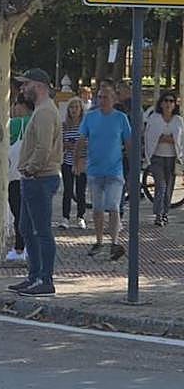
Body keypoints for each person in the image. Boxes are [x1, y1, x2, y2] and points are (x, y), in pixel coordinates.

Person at [10, 68, 64, 297]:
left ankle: (45, 279)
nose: (22, 89)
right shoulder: (42, 110)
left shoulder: (44, 113)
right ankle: (34, 276)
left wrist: (30, 169)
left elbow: (43, 148)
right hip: (34, 178)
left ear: (39, 85)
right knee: (25, 228)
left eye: (26, 84)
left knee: (41, 230)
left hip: (40, 178)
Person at [78, 83, 132, 262]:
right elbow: (81, 139)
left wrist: (132, 166)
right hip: (94, 169)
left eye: (105, 97)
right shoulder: (90, 117)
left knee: (113, 205)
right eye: (99, 97)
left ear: (114, 99)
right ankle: (99, 240)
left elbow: (129, 142)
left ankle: (114, 242)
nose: (102, 100)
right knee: (97, 207)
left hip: (114, 170)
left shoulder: (121, 118)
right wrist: (78, 160)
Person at [144, 89, 183, 227]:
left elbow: (179, 140)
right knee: (161, 185)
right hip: (157, 158)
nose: (168, 104)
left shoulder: (178, 121)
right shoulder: (154, 118)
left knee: (169, 187)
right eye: (165, 101)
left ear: (175, 105)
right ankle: (158, 215)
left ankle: (165, 213)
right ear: (161, 103)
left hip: (172, 158)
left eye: (171, 101)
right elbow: (151, 136)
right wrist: (164, 138)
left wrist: (169, 139)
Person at [6, 98, 31, 263]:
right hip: (33, 174)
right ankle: (29, 246)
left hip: (15, 175)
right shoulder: (37, 121)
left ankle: (20, 247)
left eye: (16, 104)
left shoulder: (14, 124)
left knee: (18, 213)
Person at [59, 97, 89, 230]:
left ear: (81, 110)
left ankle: (80, 217)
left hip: (82, 162)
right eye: (71, 107)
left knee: (81, 191)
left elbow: (89, 143)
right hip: (67, 162)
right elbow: (60, 142)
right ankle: (65, 217)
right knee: (68, 190)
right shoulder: (64, 126)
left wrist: (79, 147)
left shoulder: (85, 125)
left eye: (76, 107)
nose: (74, 110)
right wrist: (67, 145)